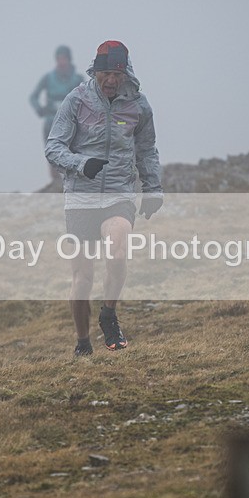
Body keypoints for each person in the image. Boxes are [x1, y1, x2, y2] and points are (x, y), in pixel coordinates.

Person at [45, 40, 163, 356]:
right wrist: (82, 164)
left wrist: (152, 188)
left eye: (116, 74)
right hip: (80, 198)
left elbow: (146, 149)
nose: (111, 80)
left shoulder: (138, 105)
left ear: (126, 73)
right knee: (82, 278)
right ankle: (83, 342)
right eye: (105, 73)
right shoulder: (76, 101)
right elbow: (53, 147)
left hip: (118, 194)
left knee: (118, 253)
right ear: (95, 72)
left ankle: (108, 315)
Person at [30, 46, 85, 182]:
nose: (62, 61)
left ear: (69, 59)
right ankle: (56, 184)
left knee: (73, 152)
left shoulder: (78, 79)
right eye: (59, 58)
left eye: (64, 58)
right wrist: (40, 109)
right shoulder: (48, 78)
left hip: (72, 123)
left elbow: (88, 98)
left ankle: (73, 180)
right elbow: (33, 97)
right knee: (52, 152)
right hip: (51, 123)